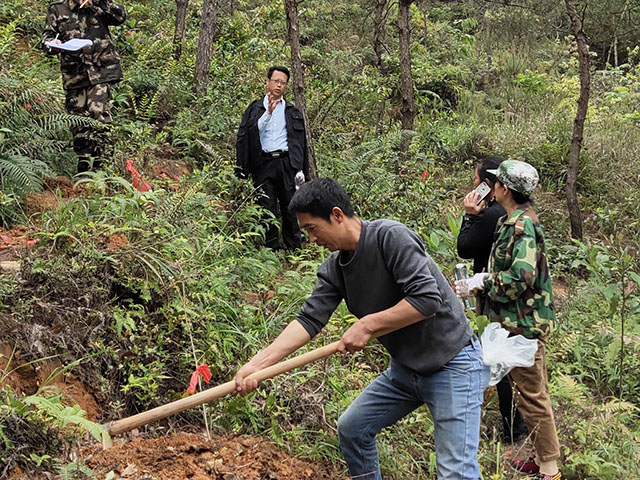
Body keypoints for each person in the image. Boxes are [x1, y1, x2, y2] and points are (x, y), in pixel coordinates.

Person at [235, 178, 489, 480]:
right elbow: (308, 320)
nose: (311, 240)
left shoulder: (390, 238)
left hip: (453, 365)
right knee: (353, 429)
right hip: (407, 370)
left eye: (312, 229)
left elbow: (427, 299)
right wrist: (256, 366)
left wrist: (368, 324)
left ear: (337, 215)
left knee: (454, 473)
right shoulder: (335, 268)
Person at [455, 160, 562, 480]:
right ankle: (540, 458)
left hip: (524, 325)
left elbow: (521, 277)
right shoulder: (511, 221)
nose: (492, 187)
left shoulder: (521, 226)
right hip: (510, 323)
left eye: (496, 183)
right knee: (497, 381)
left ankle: (550, 469)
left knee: (533, 395)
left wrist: (481, 282)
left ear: (504, 189)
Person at [456, 156, 528, 444]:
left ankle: (515, 426)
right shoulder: (509, 214)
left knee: (500, 358)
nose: (473, 186)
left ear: (491, 185)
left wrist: (470, 215)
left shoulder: (489, 216)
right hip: (502, 296)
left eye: (477, 181)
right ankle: (515, 423)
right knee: (504, 358)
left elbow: (464, 248)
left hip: (494, 296)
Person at [42, 0, 126, 174]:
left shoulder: (99, 5)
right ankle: (84, 162)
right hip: (75, 74)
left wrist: (100, 2)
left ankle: (103, 164)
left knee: (98, 111)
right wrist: (53, 45)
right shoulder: (57, 8)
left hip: (101, 70)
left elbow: (120, 17)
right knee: (77, 117)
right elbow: (46, 38)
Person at [235, 66, 309, 251]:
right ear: (267, 82)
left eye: (283, 82)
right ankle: (271, 250)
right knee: (266, 207)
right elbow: (250, 134)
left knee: (290, 206)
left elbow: (300, 143)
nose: (279, 85)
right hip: (264, 164)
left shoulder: (292, 112)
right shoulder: (256, 108)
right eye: (276, 81)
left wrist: (301, 170)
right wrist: (267, 113)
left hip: (287, 163)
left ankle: (294, 249)